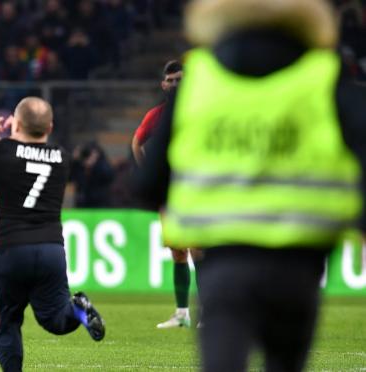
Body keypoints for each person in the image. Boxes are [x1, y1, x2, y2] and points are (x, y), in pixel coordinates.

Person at [135, 0, 366, 370]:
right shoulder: (323, 76)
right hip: (298, 262)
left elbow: (147, 185)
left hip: (225, 261)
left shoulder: (199, 84)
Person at [0, 97, 105, 372]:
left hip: (11, 250)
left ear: (17, 123)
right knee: (56, 319)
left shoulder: (1, 151)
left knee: (7, 324)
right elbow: (30, 153)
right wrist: (18, 133)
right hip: (51, 251)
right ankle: (79, 309)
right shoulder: (61, 157)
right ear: (50, 126)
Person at [132, 60, 202, 329]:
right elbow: (137, 142)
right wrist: (152, 175)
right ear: (163, 84)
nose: (174, 85)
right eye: (170, 80)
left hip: (196, 192)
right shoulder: (157, 115)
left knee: (199, 252)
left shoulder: (201, 111)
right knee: (178, 252)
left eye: (180, 80)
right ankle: (182, 313)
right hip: (171, 195)